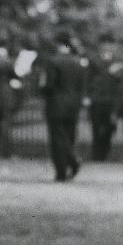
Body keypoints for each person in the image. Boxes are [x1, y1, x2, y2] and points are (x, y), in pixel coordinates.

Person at [40, 33, 88, 181]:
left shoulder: (53, 62)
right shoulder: (78, 62)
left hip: (56, 104)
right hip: (73, 106)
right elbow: (82, 86)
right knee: (69, 136)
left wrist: (42, 87)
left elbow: (49, 86)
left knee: (57, 139)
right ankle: (71, 162)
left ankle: (63, 170)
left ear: (58, 44)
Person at [86, 38, 122, 161]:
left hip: (111, 101)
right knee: (96, 127)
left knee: (110, 127)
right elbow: (88, 80)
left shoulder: (119, 62)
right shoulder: (93, 61)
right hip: (97, 100)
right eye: (105, 45)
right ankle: (97, 155)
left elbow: (120, 83)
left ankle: (104, 152)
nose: (107, 47)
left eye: (109, 45)